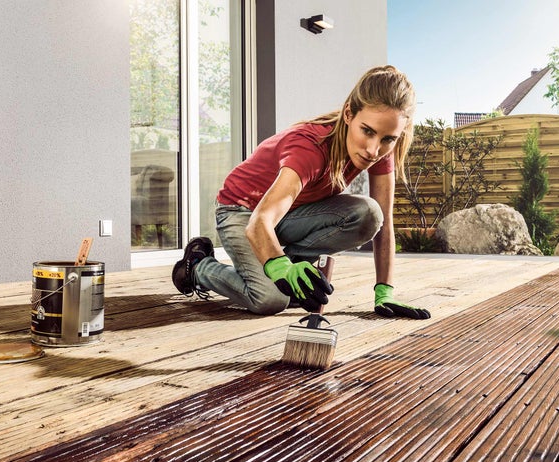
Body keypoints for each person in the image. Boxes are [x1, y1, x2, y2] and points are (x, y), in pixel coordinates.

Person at [172, 65, 430, 320]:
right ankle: (197, 267)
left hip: (292, 214)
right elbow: (259, 222)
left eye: (388, 139)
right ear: (349, 113)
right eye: (368, 131)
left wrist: (384, 291)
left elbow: (383, 223)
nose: (374, 150)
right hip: (242, 211)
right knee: (270, 298)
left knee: (369, 215)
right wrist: (280, 267)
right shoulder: (310, 147)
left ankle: (290, 278)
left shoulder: (383, 149)